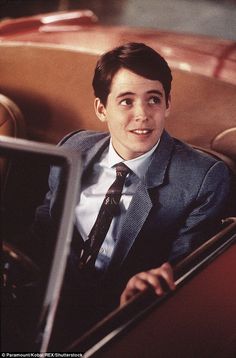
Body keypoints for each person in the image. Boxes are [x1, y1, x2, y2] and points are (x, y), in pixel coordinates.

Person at [33, 42, 231, 343]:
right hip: (46, 305)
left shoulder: (203, 178)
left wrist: (142, 294)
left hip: (124, 321)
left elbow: (183, 274)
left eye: (153, 99)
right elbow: (43, 232)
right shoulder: (72, 147)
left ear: (167, 104)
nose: (143, 114)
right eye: (126, 101)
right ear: (102, 109)